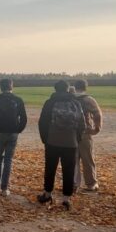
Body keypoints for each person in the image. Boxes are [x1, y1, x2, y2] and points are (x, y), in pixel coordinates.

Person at [37, 80, 86, 209]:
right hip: (71, 142)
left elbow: (42, 122)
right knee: (69, 170)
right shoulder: (75, 103)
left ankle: (47, 194)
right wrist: (77, 138)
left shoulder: (50, 103)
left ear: (55, 89)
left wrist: (45, 139)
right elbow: (82, 124)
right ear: (68, 89)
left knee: (50, 168)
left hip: (52, 141)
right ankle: (66, 199)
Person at [0, 78, 26, 196]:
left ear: (1, 87)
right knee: (8, 159)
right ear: (11, 87)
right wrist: (18, 130)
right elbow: (24, 118)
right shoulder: (18, 100)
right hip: (12, 132)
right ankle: (5, 188)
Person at [73, 80, 103, 192]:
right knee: (88, 159)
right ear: (86, 87)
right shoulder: (88, 99)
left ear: (75, 87)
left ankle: (74, 183)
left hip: (71, 133)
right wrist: (96, 129)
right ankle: (91, 183)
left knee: (73, 160)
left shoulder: (70, 98)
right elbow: (97, 114)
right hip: (85, 133)